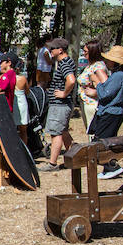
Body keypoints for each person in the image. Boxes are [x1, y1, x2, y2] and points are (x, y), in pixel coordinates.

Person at [84, 44, 123, 178]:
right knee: (107, 140)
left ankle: (111, 167)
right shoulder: (118, 75)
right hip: (111, 111)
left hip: (111, 112)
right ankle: (109, 166)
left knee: (103, 141)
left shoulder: (119, 76)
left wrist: (97, 83)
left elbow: (106, 94)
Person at [41, 38, 77, 170]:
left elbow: (71, 80)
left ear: (60, 50)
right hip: (62, 104)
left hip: (60, 104)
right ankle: (75, 157)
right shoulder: (63, 61)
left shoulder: (64, 63)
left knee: (56, 133)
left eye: (52, 49)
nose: (50, 51)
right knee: (64, 131)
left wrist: (64, 93)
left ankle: (52, 164)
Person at [79, 41, 109, 131]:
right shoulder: (90, 65)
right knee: (89, 131)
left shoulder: (98, 67)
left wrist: (96, 92)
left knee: (93, 132)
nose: (83, 54)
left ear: (93, 52)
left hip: (92, 104)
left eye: (85, 52)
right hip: (85, 103)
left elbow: (106, 86)